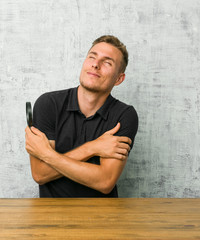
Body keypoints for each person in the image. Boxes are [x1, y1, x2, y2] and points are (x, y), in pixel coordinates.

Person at [25, 35, 138, 197]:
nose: (95, 64)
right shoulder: (48, 104)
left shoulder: (124, 115)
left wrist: (47, 155)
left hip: (103, 218)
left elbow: (105, 182)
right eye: (92, 56)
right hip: (51, 216)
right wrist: (93, 147)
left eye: (107, 62)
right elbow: (40, 174)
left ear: (119, 79)